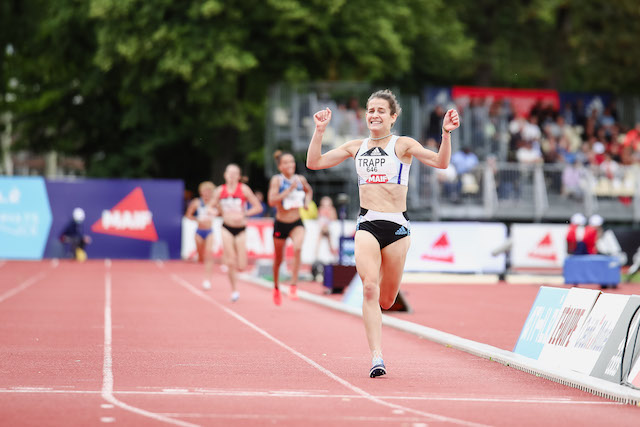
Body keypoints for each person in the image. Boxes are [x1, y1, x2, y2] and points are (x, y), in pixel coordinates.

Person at [306, 89, 459, 378]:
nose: (374, 115)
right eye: (370, 110)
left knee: (387, 300)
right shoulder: (355, 146)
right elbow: (314, 163)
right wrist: (319, 131)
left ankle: (380, 329)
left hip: (398, 228)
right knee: (368, 288)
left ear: (392, 117)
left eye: (380, 111)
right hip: (368, 223)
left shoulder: (403, 145)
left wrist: (446, 135)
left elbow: (441, 162)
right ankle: (377, 357)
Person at [208, 164, 263, 302]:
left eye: (235, 173)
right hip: (226, 227)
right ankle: (234, 290)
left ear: (239, 176)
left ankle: (237, 274)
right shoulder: (220, 190)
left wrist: (244, 214)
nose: (231, 176)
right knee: (231, 261)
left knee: (242, 264)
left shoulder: (244, 189)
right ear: (225, 175)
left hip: (241, 229)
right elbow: (210, 206)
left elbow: (258, 207)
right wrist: (213, 211)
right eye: (229, 173)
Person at [267, 150, 313, 306]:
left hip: (296, 222)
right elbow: (272, 201)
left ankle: (293, 285)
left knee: (298, 248)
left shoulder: (300, 179)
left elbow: (309, 191)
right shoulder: (277, 180)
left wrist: (306, 202)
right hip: (281, 223)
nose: (290, 165)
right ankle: (276, 287)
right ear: (280, 167)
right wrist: (289, 190)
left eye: (292, 161)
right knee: (279, 259)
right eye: (286, 162)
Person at [185, 181, 218, 289]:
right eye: (205, 191)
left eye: (209, 191)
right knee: (201, 258)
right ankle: (199, 257)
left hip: (209, 231)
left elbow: (222, 212)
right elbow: (188, 215)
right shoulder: (197, 202)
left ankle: (207, 280)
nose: (207, 193)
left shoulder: (214, 203)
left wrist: (215, 213)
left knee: (209, 254)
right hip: (199, 231)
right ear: (201, 192)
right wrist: (197, 219)